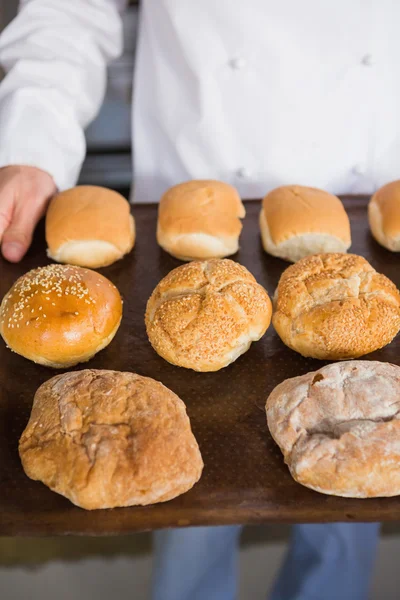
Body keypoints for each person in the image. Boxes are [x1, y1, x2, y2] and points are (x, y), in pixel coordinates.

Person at [0, 1, 383, 599]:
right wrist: (29, 145)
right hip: (196, 159)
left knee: (360, 473)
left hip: (362, 172)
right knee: (181, 488)